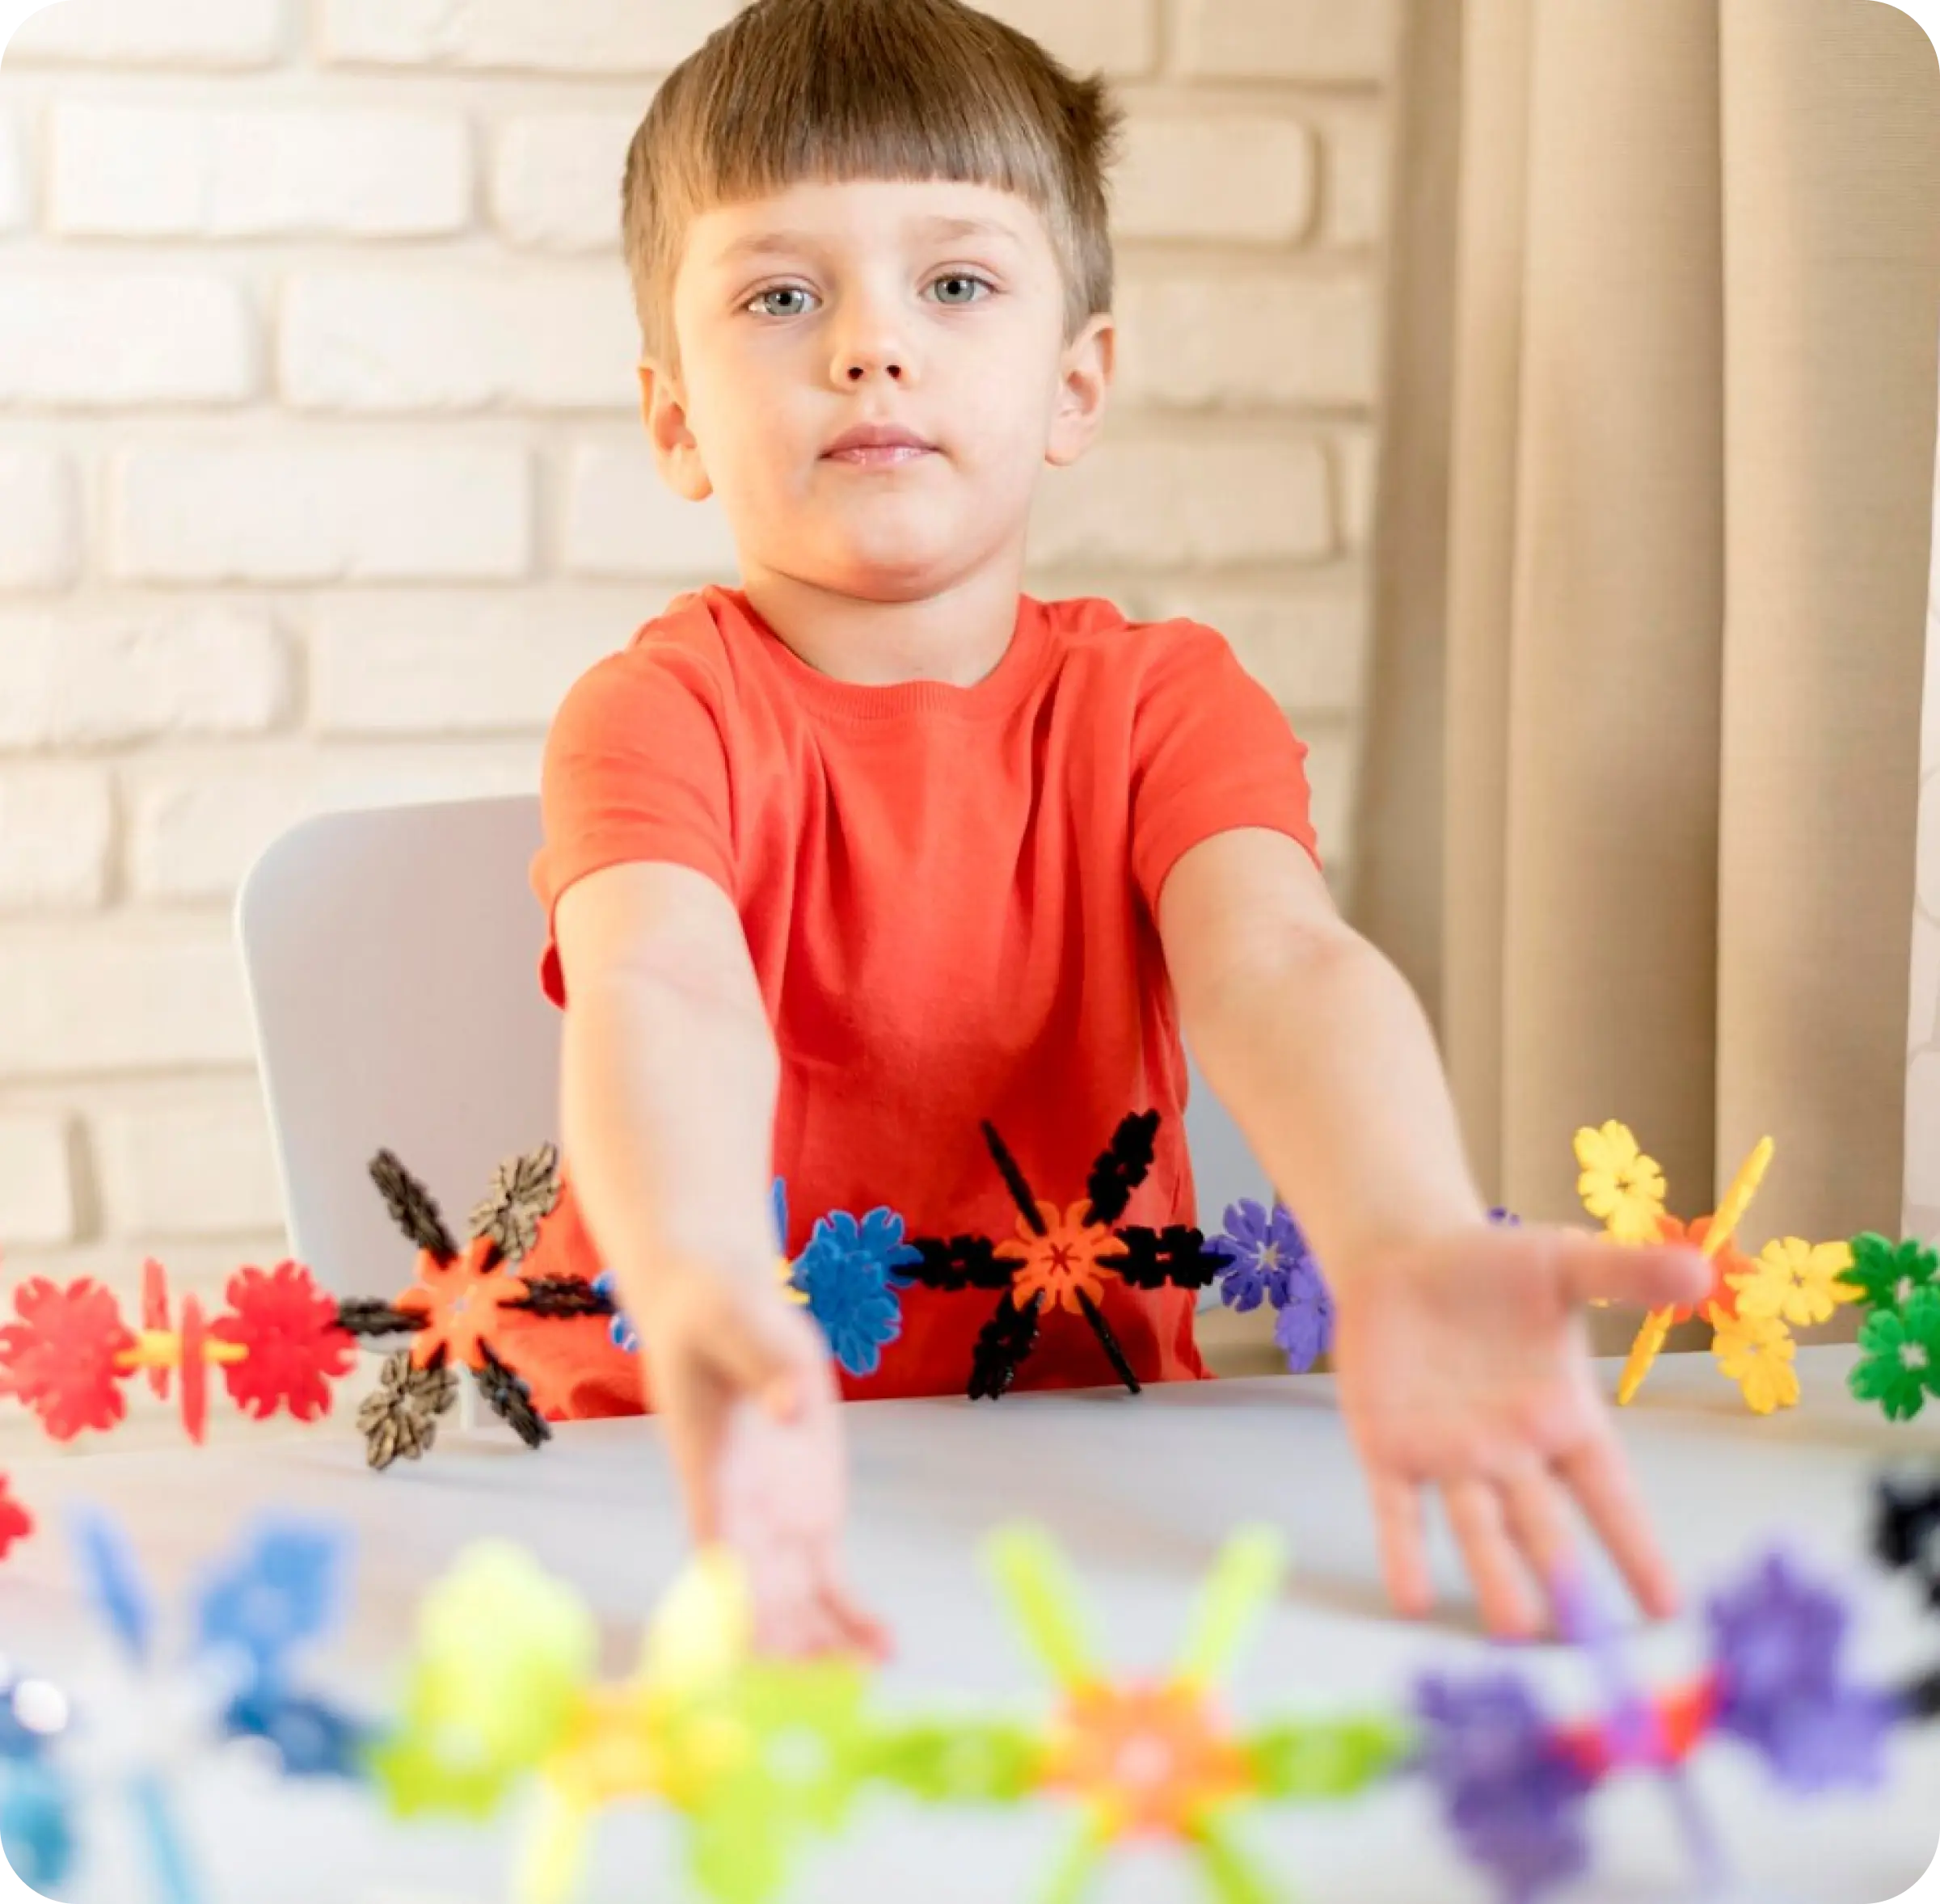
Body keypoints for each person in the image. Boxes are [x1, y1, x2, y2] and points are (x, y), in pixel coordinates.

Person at [524, 0, 1710, 1659]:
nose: (874, 343)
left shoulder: (1164, 702)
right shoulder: (655, 712)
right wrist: (707, 1272)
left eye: (955, 284)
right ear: (673, 420)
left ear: (1076, 381)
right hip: (675, 1464)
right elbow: (663, 989)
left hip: (1071, 1468)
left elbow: (1282, 961)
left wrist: (1401, 1230)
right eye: (783, 294)